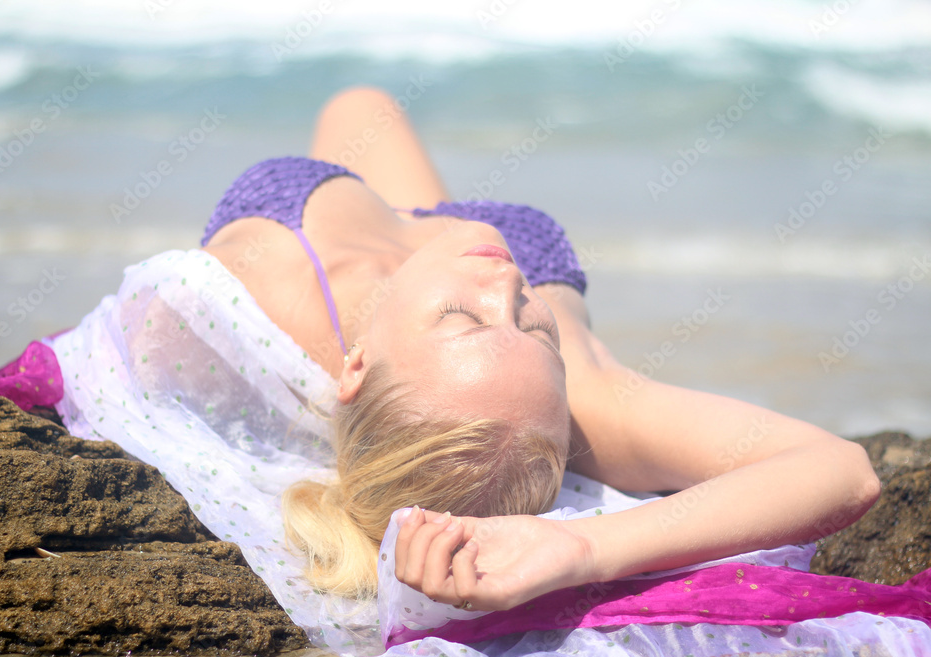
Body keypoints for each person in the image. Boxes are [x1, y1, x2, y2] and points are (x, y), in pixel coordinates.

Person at [195, 87, 881, 609]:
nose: (510, 279)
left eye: (463, 315)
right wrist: (585, 545)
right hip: (427, 242)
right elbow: (842, 469)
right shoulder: (579, 396)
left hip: (389, 238)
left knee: (360, 101)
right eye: (536, 326)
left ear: (355, 366)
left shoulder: (258, 292)